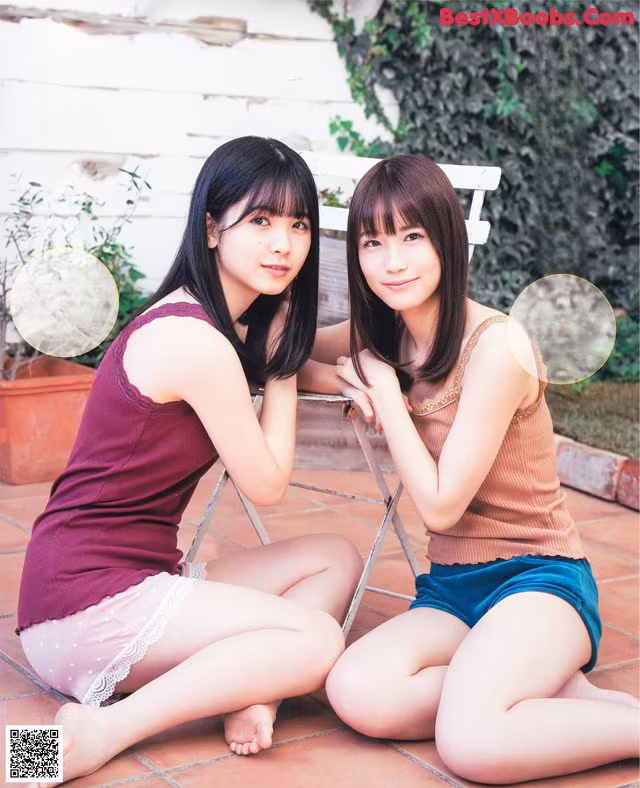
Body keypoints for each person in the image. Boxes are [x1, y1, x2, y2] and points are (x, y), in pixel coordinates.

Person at [16, 136, 363, 787]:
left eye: (299, 224)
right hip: (83, 606)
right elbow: (266, 484)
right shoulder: (193, 340)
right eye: (260, 220)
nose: (283, 244)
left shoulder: (225, 327)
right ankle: (99, 732)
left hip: (133, 578)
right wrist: (285, 365)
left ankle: (251, 691)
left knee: (335, 557)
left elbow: (324, 352)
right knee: (319, 643)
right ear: (212, 227)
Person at [299, 154, 639, 784]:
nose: (391, 262)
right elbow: (278, 352)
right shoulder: (385, 334)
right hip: (453, 590)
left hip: (539, 579)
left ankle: (609, 721)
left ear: (447, 241)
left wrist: (382, 387)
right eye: (373, 242)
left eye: (412, 237)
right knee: (357, 690)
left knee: (472, 744)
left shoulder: (499, 347)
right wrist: (344, 376)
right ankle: (531, 693)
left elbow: (440, 507)